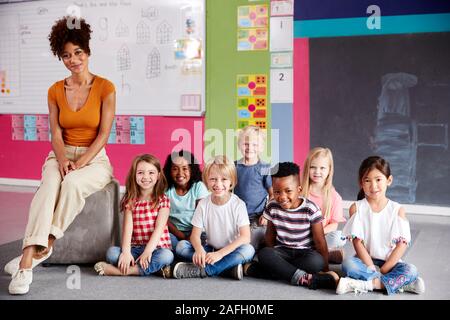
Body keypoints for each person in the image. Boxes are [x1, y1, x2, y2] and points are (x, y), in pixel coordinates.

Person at [5, 16, 115, 295]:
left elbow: (103, 135)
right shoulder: (55, 90)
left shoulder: (105, 88)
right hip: (60, 155)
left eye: (78, 53)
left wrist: (80, 163)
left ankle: (45, 244)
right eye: (66, 55)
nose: (73, 60)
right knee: (50, 185)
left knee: (73, 184)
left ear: (87, 52)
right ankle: (29, 260)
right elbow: (55, 134)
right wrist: (64, 159)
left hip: (95, 159)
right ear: (60, 58)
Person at [336, 156, 425, 295]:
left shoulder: (397, 209)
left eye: (378, 179)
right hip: (365, 262)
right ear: (361, 183)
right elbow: (357, 243)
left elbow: (402, 245)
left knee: (411, 270)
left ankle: (364, 285)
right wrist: (370, 266)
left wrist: (385, 268)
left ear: (389, 180)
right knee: (348, 265)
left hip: (390, 263)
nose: (373, 186)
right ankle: (400, 284)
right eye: (367, 180)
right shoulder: (357, 208)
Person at [243, 162, 339, 290]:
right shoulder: (272, 206)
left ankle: (270, 270)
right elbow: (270, 237)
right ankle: (302, 278)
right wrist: (272, 255)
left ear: (299, 189)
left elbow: (320, 241)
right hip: (282, 251)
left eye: (288, 191)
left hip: (305, 253)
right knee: (264, 253)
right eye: (277, 192)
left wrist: (325, 269)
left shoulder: (310, 209)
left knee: (317, 262)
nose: (282, 197)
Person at [172, 155, 255, 280]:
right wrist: (199, 249)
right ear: (206, 180)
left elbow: (245, 237)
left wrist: (220, 254)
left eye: (224, 179)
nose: (218, 184)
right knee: (181, 246)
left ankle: (205, 270)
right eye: (213, 179)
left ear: (231, 181)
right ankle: (227, 269)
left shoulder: (238, 204)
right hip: (209, 250)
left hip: (230, 250)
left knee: (248, 250)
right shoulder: (203, 204)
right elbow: (194, 235)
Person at [94, 154, 174, 277]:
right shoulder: (130, 200)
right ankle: (155, 269)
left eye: (151, 173)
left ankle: (126, 271)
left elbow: (159, 228)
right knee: (112, 253)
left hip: (156, 248)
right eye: (141, 172)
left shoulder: (163, 200)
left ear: (158, 176)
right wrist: (126, 252)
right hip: (135, 248)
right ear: (134, 175)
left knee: (167, 256)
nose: (146, 177)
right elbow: (128, 229)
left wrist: (148, 252)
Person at [300, 147, 346, 264]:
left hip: (321, 236)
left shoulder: (334, 197)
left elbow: (334, 225)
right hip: (301, 235)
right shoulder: (300, 191)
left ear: (329, 170)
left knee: (339, 237)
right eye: (313, 167)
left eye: (322, 168)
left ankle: (315, 252)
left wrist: (318, 234)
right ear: (307, 168)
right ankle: (325, 253)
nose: (317, 172)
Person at [234, 125, 273, 251]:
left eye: (255, 144)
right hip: (237, 216)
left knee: (246, 245)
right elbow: (227, 192)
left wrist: (267, 215)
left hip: (257, 217)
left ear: (261, 147)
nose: (250, 148)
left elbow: (273, 195)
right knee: (229, 242)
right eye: (246, 144)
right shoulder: (234, 166)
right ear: (240, 145)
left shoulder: (264, 168)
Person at [163, 149, 209, 250]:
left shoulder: (198, 187)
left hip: (197, 231)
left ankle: (194, 255)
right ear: (169, 171)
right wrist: (182, 237)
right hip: (174, 233)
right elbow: (164, 219)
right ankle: (189, 255)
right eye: (175, 169)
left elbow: (201, 215)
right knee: (167, 244)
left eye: (185, 168)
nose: (180, 173)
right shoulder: (166, 189)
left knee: (184, 247)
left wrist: (192, 236)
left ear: (191, 170)